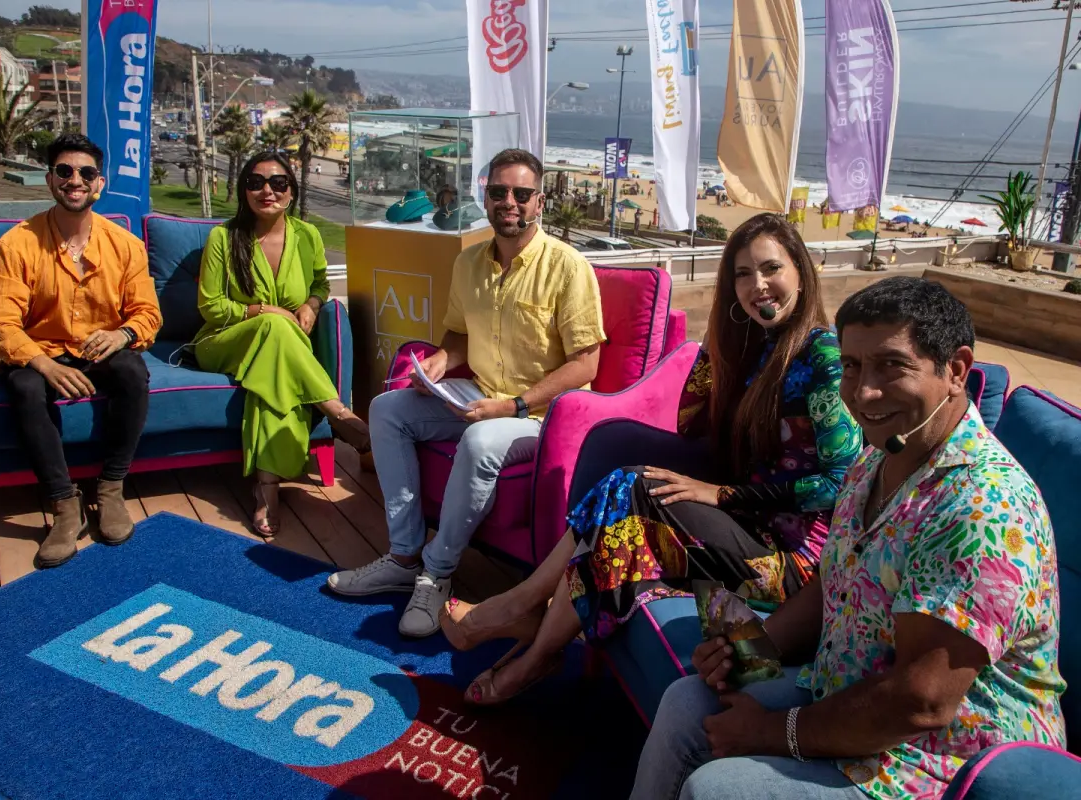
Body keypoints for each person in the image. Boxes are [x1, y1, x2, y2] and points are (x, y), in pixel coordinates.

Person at [631, 276, 1064, 800]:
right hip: (846, 691)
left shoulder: (983, 506)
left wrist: (773, 733)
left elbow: (921, 702)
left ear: (955, 370)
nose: (863, 393)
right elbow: (836, 579)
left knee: (717, 788)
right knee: (687, 702)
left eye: (891, 366)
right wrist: (748, 650)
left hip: (945, 761)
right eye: (853, 366)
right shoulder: (876, 461)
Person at [441, 213, 863, 704]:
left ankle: (522, 606)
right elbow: (690, 422)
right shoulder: (759, 348)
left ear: (801, 272)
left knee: (632, 485)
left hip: (796, 564)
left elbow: (840, 483)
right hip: (749, 531)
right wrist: (719, 351)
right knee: (621, 535)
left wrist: (721, 494)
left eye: (771, 269)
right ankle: (539, 655)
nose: (758, 286)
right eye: (742, 275)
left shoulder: (823, 358)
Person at [325, 148, 607, 637]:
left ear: (540, 202)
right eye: (499, 192)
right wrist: (439, 361)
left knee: (479, 443)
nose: (509, 202)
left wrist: (514, 405)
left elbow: (587, 363)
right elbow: (457, 335)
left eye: (522, 194)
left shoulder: (567, 267)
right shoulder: (469, 263)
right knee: (387, 409)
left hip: (540, 416)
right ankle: (403, 555)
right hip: (479, 396)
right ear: (486, 196)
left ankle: (436, 573)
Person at [0, 133, 162, 569]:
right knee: (24, 386)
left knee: (133, 373)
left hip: (98, 345)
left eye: (86, 173)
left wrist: (122, 335)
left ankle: (111, 489)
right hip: (39, 347)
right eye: (65, 171)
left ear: (99, 184)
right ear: (50, 180)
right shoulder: (16, 244)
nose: (75, 180)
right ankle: (64, 505)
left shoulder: (126, 245)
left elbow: (147, 314)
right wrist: (43, 363)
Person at [191, 153, 370, 537]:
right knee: (273, 326)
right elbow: (210, 306)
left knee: (273, 384)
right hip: (224, 341)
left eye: (277, 183)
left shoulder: (308, 236)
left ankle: (267, 489)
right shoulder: (224, 237)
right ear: (244, 191)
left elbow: (321, 283)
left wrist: (312, 303)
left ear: (291, 191)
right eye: (256, 183)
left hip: (279, 349)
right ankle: (338, 412)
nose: (267, 191)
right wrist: (263, 309)